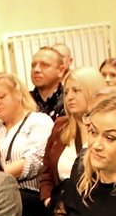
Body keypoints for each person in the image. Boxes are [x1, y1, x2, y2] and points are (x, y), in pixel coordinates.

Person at [0, 71, 53, 216]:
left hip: (29, 196)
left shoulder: (39, 121)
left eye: (1, 96)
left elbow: (34, 160)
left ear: (18, 94)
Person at [40, 67, 104, 207]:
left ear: (93, 91)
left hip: (97, 203)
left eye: (76, 90)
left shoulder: (107, 128)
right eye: (66, 92)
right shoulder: (60, 126)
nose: (69, 97)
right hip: (61, 205)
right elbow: (46, 173)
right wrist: (48, 200)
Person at [29, 47, 67, 120]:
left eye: (44, 65)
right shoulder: (23, 102)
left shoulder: (69, 100)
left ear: (60, 70)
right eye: (33, 65)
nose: (36, 69)